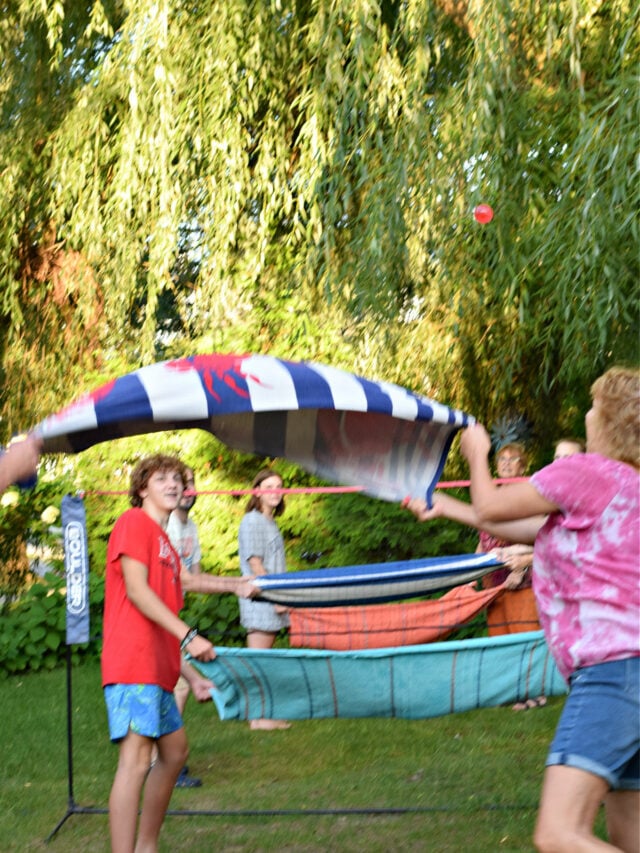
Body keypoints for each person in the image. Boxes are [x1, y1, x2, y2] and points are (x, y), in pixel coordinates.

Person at [406, 366, 639, 852]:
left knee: (559, 834)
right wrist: (444, 507)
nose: (587, 414)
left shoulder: (586, 471)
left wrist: (476, 452)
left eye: (594, 406)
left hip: (612, 675)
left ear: (613, 419)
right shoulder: (627, 488)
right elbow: (534, 528)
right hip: (631, 676)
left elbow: (493, 509)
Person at [102, 454, 255, 853]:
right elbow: (137, 592)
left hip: (158, 669)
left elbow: (186, 581)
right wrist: (190, 636)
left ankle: (146, 845)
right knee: (135, 763)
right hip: (132, 665)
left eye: (179, 479)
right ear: (141, 488)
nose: (174, 485)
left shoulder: (165, 541)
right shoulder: (133, 523)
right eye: (162, 478)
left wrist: (237, 585)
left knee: (174, 754)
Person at [165, 465, 210, 789]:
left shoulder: (190, 525)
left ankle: (168, 761)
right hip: (160, 615)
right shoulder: (166, 525)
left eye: (192, 483)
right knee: (174, 685)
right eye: (184, 483)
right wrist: (237, 585)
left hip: (174, 612)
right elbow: (184, 578)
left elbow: (197, 576)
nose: (189, 489)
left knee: (179, 685)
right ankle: (166, 763)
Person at [238, 467, 291, 731]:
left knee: (265, 659)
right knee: (258, 659)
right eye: (269, 487)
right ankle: (257, 718)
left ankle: (261, 714)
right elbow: (255, 564)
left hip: (272, 599)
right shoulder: (253, 520)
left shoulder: (269, 521)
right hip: (261, 600)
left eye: (279, 486)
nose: (275, 492)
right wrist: (275, 597)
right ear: (257, 491)